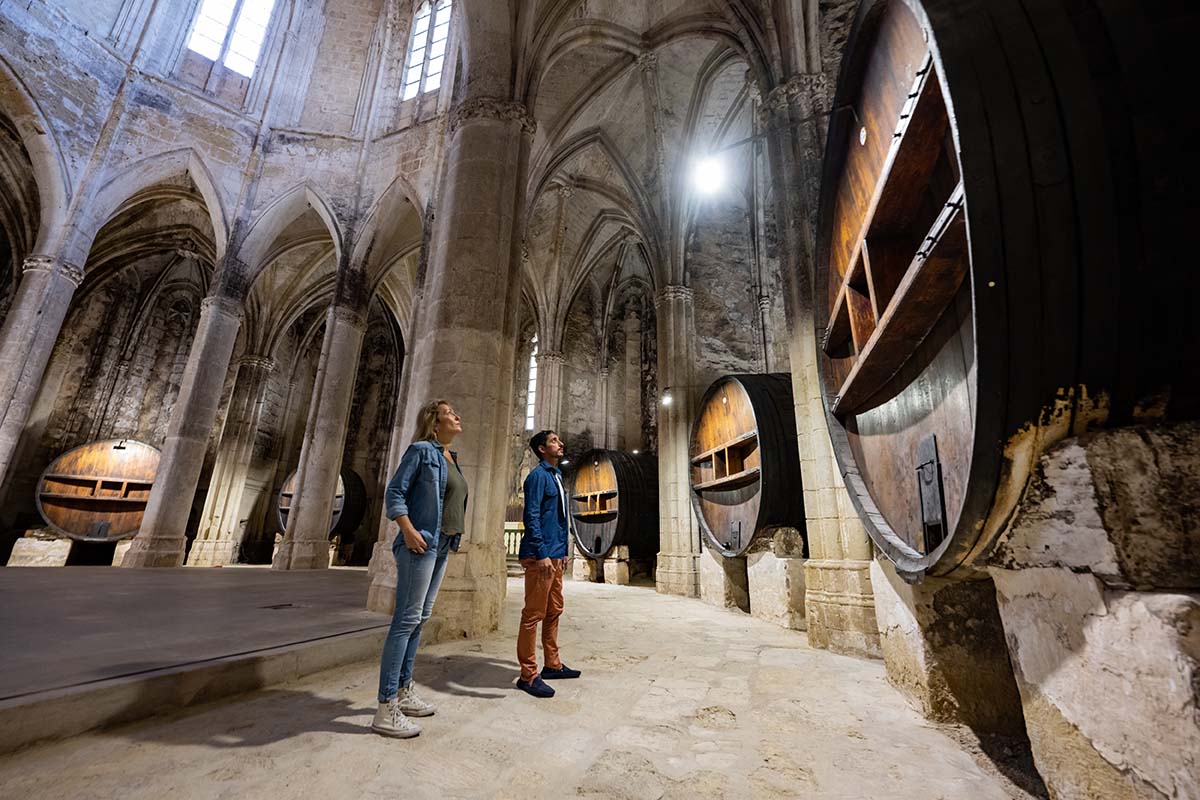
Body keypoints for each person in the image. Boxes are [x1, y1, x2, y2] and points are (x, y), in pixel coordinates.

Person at [372, 399, 468, 737]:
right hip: (420, 544)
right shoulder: (421, 450)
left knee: (420, 619)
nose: (457, 416)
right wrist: (408, 530)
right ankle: (385, 708)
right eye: (449, 413)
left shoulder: (449, 457)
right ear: (434, 421)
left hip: (441, 546)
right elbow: (395, 493)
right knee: (405, 622)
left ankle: (403, 690)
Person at [516, 430, 582, 698]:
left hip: (554, 553)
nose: (560, 443)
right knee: (533, 614)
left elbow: (559, 517)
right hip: (539, 554)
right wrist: (542, 553)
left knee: (555, 609)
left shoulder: (557, 475)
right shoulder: (537, 477)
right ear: (542, 449)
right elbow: (531, 516)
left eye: (559, 440)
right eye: (554, 441)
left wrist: (562, 550)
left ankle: (552, 664)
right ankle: (528, 675)